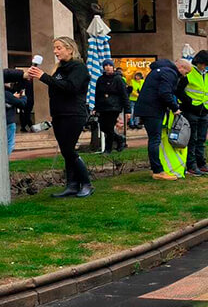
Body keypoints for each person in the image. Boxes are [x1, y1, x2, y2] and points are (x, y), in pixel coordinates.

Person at [24, 37, 93, 198]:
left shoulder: (79, 68)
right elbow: (57, 90)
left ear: (70, 49)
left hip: (73, 114)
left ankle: (87, 184)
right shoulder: (59, 69)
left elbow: (71, 87)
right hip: (59, 115)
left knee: (69, 150)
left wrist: (44, 77)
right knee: (65, 151)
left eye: (59, 48)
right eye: (54, 48)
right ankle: (72, 185)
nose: (55, 51)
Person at [134, 58, 184, 181]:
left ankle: (156, 168)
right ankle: (158, 171)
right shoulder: (170, 73)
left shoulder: (159, 70)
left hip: (147, 108)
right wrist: (175, 108)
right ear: (181, 68)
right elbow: (165, 93)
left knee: (154, 139)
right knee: (155, 140)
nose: (185, 75)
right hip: (153, 110)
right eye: (186, 72)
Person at [177, 50, 208, 176]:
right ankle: (191, 165)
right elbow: (179, 90)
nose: (205, 66)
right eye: (203, 64)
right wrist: (189, 102)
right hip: (191, 111)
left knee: (201, 140)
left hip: (204, 110)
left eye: (207, 64)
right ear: (198, 62)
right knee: (192, 140)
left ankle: (201, 164)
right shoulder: (189, 72)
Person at [92, 59, 128, 153]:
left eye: (110, 65)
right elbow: (97, 94)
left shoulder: (118, 79)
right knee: (103, 127)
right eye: (106, 65)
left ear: (113, 67)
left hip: (114, 107)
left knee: (109, 127)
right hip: (103, 107)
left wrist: (127, 110)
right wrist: (96, 107)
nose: (108, 67)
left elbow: (124, 94)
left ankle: (108, 149)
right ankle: (119, 139)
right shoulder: (100, 79)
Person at [4, 75, 26, 155]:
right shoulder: (6, 93)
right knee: (9, 144)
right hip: (8, 122)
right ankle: (5, 160)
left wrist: (13, 97)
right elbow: (22, 103)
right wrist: (23, 96)